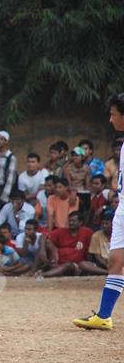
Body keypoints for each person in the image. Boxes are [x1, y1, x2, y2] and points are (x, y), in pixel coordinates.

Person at [75, 93, 124, 329]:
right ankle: (104, 316)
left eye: (113, 114)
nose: (110, 119)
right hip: (123, 208)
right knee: (116, 261)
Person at [39, 211, 93, 278]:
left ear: (80, 222)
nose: (70, 223)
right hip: (58, 262)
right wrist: (42, 250)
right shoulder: (61, 231)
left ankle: (43, 275)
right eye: (69, 221)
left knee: (68, 265)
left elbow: (91, 250)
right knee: (45, 245)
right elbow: (43, 236)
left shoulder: (87, 232)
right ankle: (37, 272)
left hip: (75, 265)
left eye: (73, 221)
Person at [0, 131, 17, 213]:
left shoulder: (10, 157)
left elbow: (10, 179)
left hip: (2, 189)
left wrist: (4, 196)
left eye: (1, 139)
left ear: (6, 141)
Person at [78, 211, 113, 276]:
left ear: (113, 224)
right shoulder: (96, 235)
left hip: (118, 262)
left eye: (107, 223)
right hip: (103, 264)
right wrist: (107, 265)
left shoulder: (120, 235)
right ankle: (108, 272)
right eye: (102, 224)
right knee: (83, 264)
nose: (104, 226)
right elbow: (97, 256)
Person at [64, 146, 92, 211]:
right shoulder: (68, 168)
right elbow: (68, 183)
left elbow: (87, 184)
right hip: (71, 190)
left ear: (82, 157)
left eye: (77, 156)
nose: (75, 157)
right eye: (73, 156)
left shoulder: (87, 168)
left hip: (82, 191)